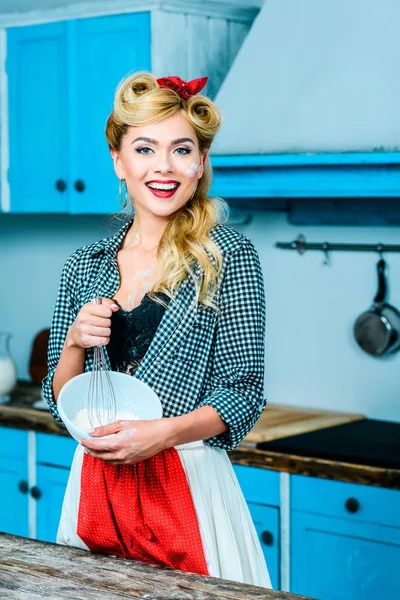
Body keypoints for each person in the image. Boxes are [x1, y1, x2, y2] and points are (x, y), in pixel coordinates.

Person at [42, 72, 271, 588]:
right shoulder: (83, 266)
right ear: (119, 162)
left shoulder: (228, 258)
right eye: (145, 149)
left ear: (201, 164)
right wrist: (76, 343)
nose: (163, 166)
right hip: (96, 485)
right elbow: (62, 401)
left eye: (181, 149)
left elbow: (242, 395)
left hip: (186, 481)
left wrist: (161, 435)